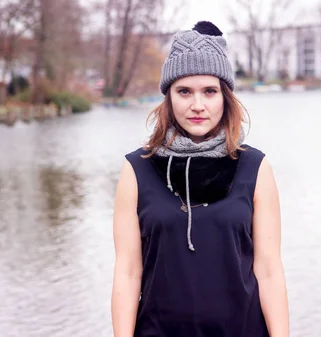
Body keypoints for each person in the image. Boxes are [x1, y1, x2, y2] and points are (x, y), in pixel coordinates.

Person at [111, 21, 289, 337]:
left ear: (225, 97)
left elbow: (269, 271)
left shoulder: (255, 167)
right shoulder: (137, 169)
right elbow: (127, 273)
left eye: (209, 91)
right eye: (184, 91)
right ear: (169, 97)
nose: (197, 105)